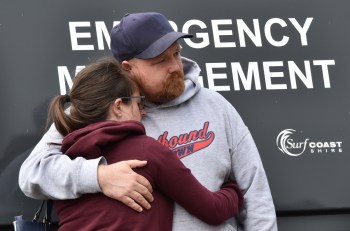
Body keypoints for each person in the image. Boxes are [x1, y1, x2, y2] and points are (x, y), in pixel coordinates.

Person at [19, 12, 278, 231]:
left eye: (176, 54)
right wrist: (99, 176)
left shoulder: (216, 106)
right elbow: (32, 174)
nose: (175, 67)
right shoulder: (95, 108)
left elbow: (255, 194)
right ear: (128, 68)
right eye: (160, 61)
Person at [46, 57, 243, 230]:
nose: (144, 112)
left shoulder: (63, 165)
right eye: (139, 103)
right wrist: (234, 190)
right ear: (118, 107)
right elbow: (212, 210)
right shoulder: (147, 152)